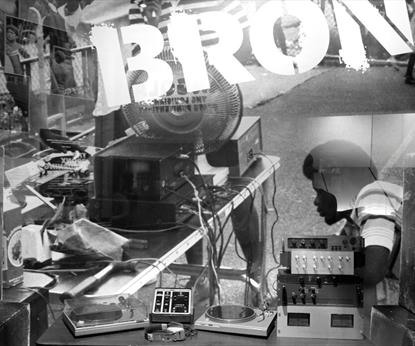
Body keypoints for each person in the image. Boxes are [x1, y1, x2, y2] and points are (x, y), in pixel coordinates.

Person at [302, 140, 403, 332]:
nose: (316, 201)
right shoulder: (354, 223)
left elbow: (373, 271)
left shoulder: (375, 195)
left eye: (319, 191)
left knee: (360, 290)